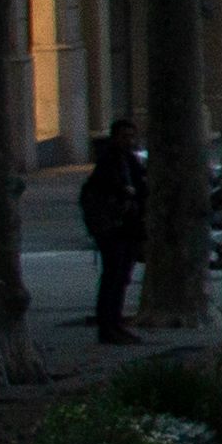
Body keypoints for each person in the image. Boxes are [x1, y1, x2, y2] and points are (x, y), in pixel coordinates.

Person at [76, 119, 148, 342]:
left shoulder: (129, 161)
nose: (129, 141)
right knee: (113, 276)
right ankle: (108, 326)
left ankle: (114, 323)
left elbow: (140, 189)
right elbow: (111, 190)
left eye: (131, 136)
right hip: (112, 228)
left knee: (120, 277)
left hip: (126, 227)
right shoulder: (108, 162)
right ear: (115, 137)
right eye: (124, 136)